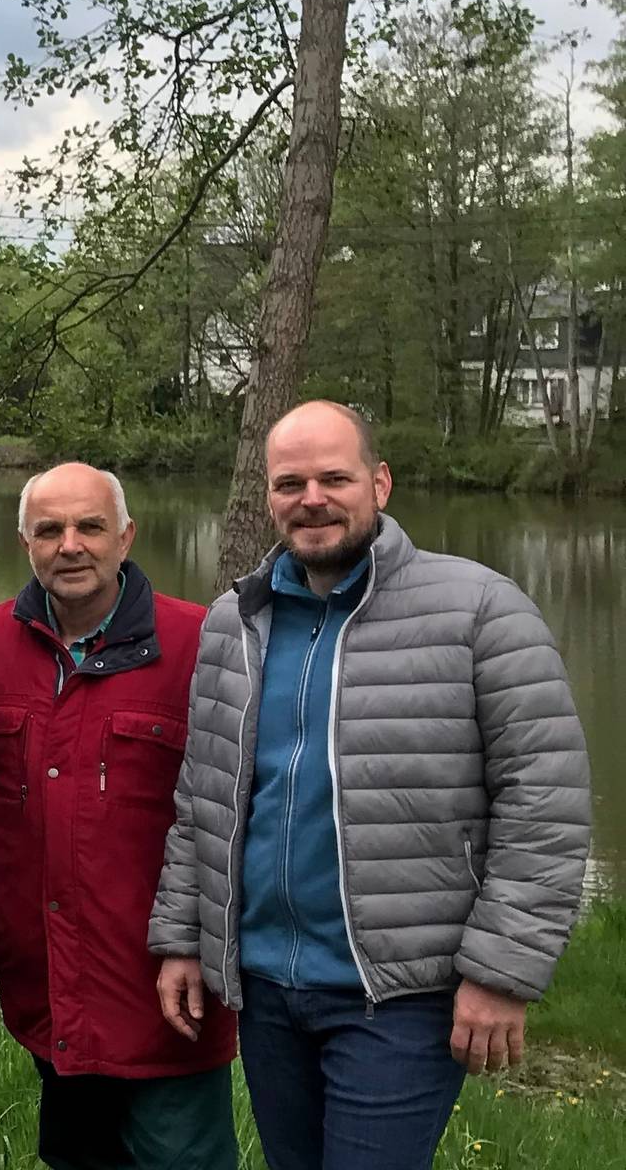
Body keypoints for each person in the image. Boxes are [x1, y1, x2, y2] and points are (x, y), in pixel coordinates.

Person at [152, 401, 590, 1170]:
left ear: (379, 483)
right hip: (268, 988)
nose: (312, 499)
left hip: (400, 996)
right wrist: (184, 939)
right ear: (268, 494)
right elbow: (204, 800)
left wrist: (501, 973)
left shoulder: (481, 611)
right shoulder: (235, 621)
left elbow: (544, 806)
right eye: (290, 483)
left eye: (335, 478)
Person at [0, 463, 233, 1170]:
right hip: (48, 981)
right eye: (49, 530)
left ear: (126, 537)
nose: (70, 545)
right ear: (25, 543)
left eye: (90, 526)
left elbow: (230, 813)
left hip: (166, 982)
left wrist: (195, 941)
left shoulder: (201, 643)